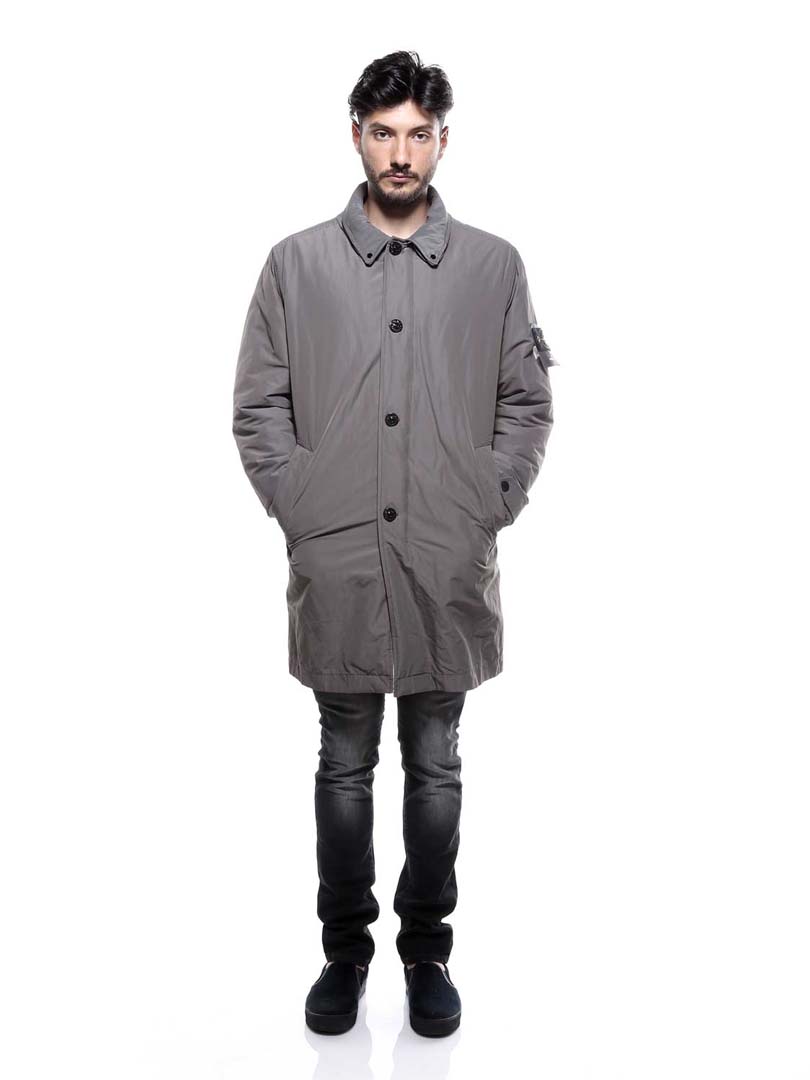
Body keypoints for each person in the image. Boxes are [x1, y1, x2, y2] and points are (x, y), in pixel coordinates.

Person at [232, 50, 557, 1039]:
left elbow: (526, 402)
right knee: (342, 764)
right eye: (384, 133)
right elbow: (259, 404)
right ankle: (344, 952)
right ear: (356, 136)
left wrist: (489, 500)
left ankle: (427, 953)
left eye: (419, 134)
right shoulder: (295, 265)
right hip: (336, 561)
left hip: (445, 561)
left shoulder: (494, 267)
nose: (401, 154)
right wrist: (301, 504)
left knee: (436, 764)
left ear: (444, 141)